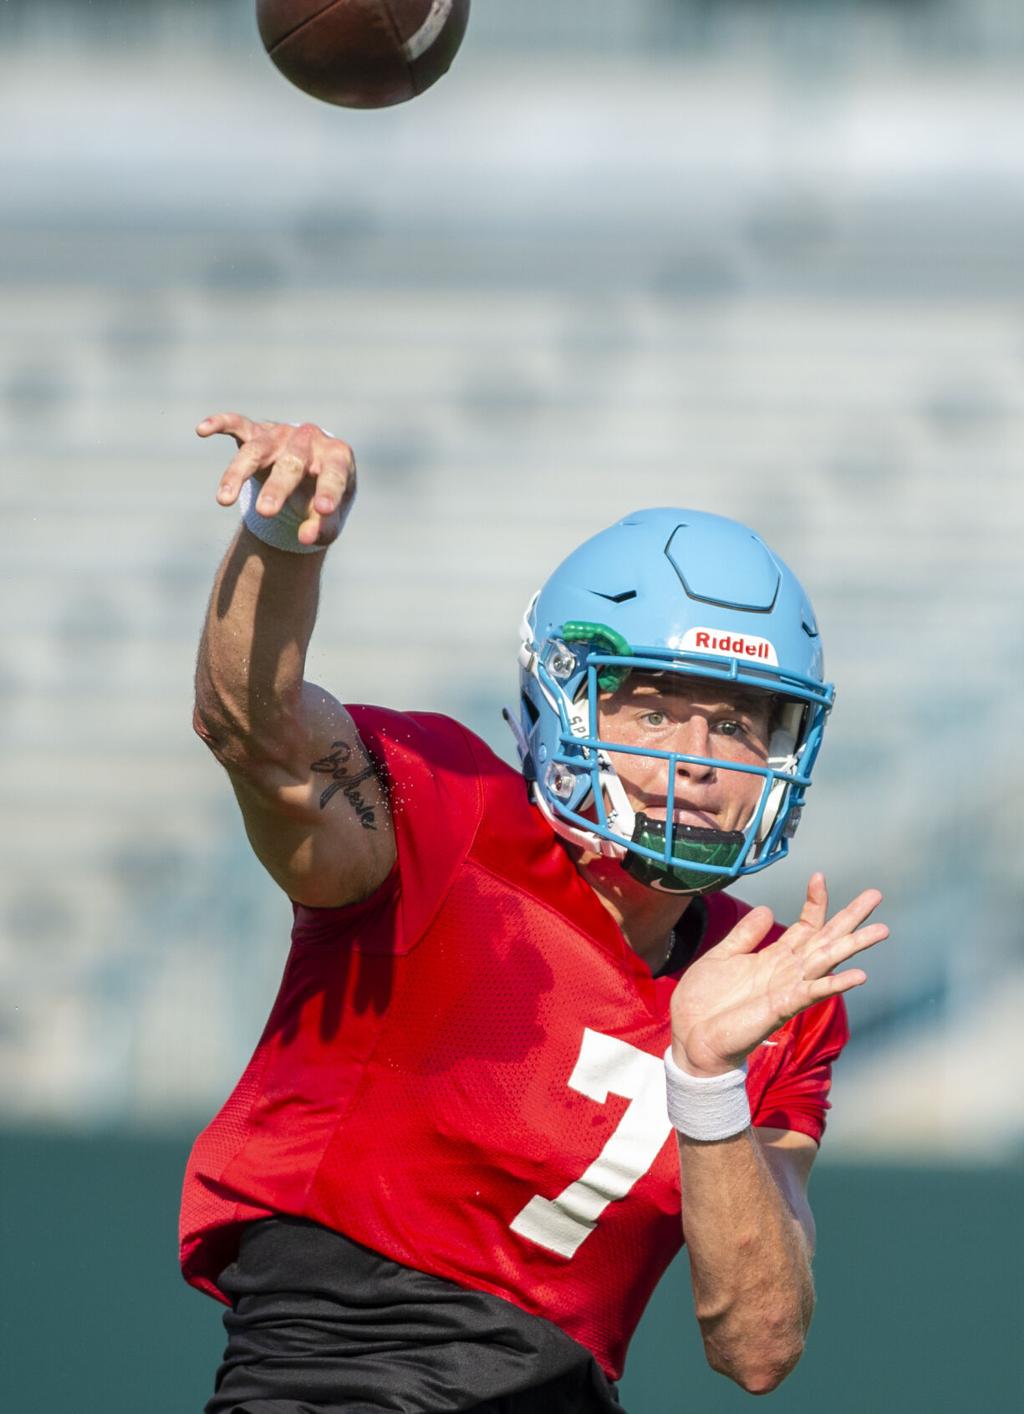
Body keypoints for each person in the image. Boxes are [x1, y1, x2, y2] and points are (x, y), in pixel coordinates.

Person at [181, 413, 887, 1414]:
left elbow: (760, 1341)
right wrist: (279, 550)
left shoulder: (769, 986)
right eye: (651, 708)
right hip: (338, 1381)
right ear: (565, 702)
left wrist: (706, 1080)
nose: (695, 760)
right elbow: (256, 736)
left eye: (732, 722)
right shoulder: (444, 818)